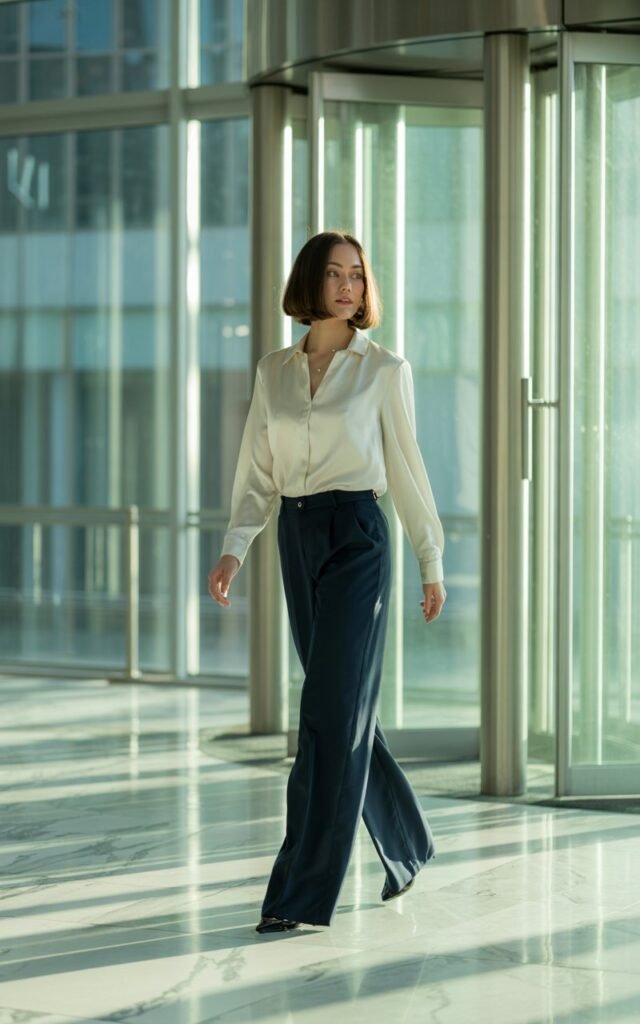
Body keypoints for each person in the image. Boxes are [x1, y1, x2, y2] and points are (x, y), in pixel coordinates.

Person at [208, 230, 446, 934]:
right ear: (309, 284)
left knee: (326, 718)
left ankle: (300, 894)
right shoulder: (274, 370)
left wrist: (429, 559)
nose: (349, 286)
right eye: (335, 274)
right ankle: (408, 844)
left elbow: (407, 467)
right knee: (337, 709)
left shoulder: (383, 370)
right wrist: (234, 548)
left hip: (359, 540)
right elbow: (256, 468)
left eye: (358, 276)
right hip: (297, 534)